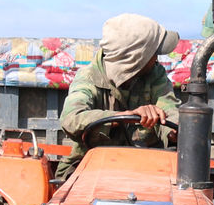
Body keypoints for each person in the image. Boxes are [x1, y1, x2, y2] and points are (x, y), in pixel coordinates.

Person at [56, 14, 181, 181]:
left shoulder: (155, 74)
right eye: (153, 53)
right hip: (90, 167)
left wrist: (175, 131)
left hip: (148, 167)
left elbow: (169, 108)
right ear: (137, 58)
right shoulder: (88, 78)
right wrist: (124, 117)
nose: (157, 58)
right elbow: (71, 118)